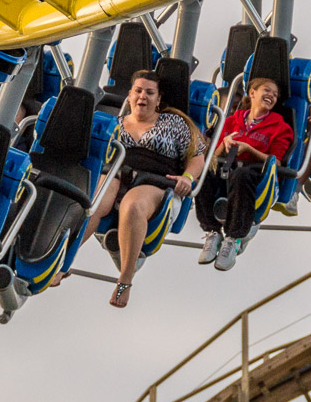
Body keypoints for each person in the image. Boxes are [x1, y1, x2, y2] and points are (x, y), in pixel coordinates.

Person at [76, 70, 204, 308]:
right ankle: (63, 261)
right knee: (96, 200)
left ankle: (125, 280)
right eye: (138, 91)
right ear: (130, 94)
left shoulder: (174, 123)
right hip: (117, 174)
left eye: (149, 92)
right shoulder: (116, 124)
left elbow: (197, 157)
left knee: (133, 206)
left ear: (158, 98)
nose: (142, 96)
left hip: (156, 181)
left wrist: (187, 177)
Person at [196, 77, 294, 271]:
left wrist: (248, 148)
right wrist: (224, 146)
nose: (271, 96)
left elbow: (276, 161)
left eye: (275, 95)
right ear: (252, 93)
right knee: (205, 171)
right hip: (227, 165)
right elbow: (213, 156)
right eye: (267, 90)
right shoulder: (232, 120)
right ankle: (212, 232)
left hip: (256, 172)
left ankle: (233, 238)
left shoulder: (280, 127)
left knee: (242, 174)